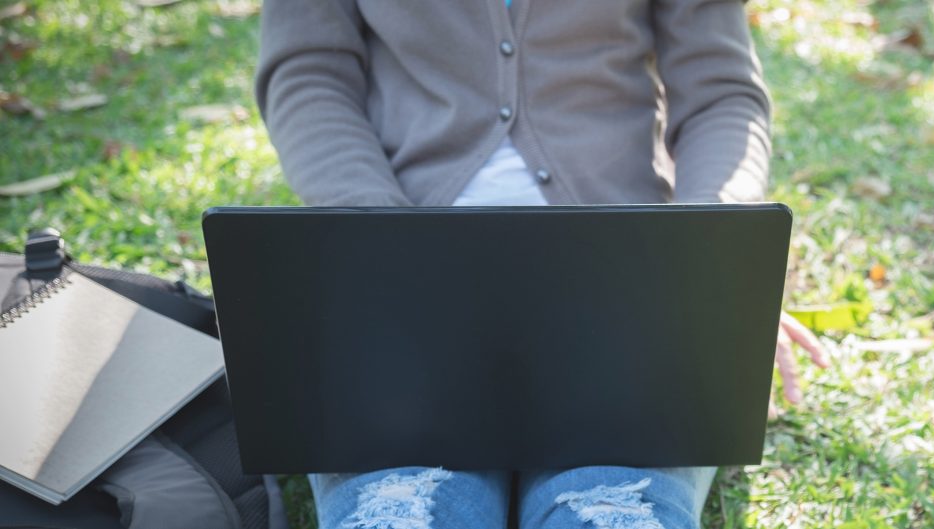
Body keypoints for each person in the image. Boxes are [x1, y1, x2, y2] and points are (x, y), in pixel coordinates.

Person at [254, 0, 829, 527]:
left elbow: (720, 94)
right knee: (402, 507)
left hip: (624, 283)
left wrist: (710, 257)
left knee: (614, 509)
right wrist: (379, 237)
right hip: (394, 276)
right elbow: (308, 72)